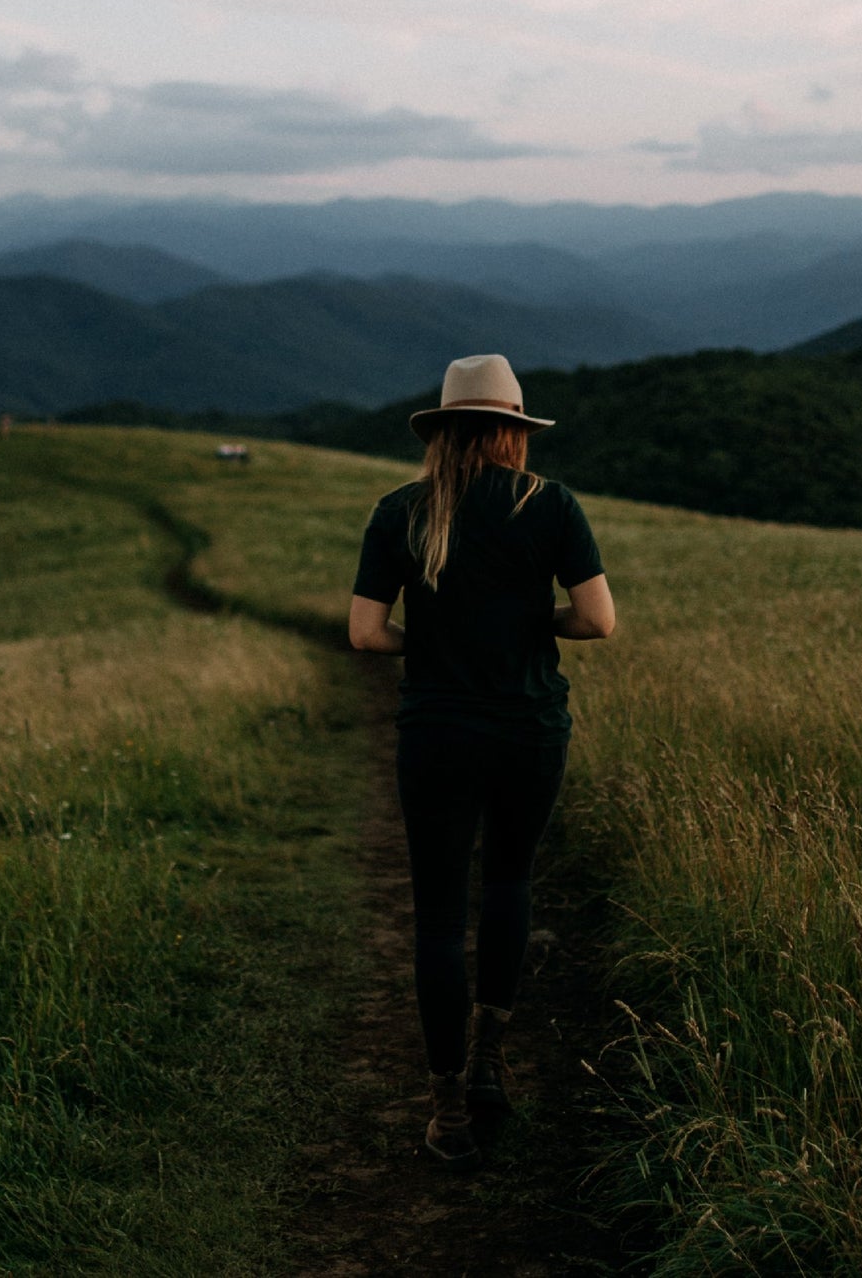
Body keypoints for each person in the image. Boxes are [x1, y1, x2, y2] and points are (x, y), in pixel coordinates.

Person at [347, 353, 615, 1172]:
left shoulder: (399, 512)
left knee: (436, 915)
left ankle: (446, 1108)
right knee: (508, 883)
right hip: (529, 729)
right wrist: (533, 631)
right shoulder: (552, 505)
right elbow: (598, 621)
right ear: (513, 431)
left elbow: (363, 633)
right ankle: (492, 1060)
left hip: (436, 733)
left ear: (444, 431)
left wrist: (427, 646)